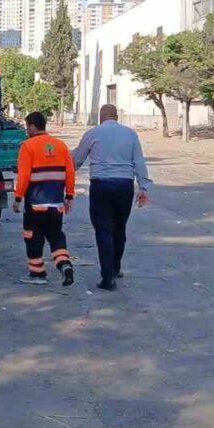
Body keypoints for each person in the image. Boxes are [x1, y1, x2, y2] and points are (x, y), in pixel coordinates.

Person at [72, 104, 151, 291]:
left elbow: (76, 160)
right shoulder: (130, 134)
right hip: (124, 186)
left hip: (101, 186)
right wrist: (144, 187)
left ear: (101, 117)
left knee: (103, 230)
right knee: (119, 227)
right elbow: (139, 162)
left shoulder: (93, 133)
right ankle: (115, 267)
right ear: (117, 117)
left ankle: (107, 277)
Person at [12, 112, 76, 286]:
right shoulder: (61, 145)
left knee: (32, 236)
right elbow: (70, 173)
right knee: (56, 235)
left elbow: (24, 176)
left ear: (33, 126)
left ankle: (38, 273)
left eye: (27, 127)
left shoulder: (27, 146)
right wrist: (69, 196)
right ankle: (64, 264)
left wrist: (18, 198)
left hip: (35, 204)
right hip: (56, 204)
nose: (26, 130)